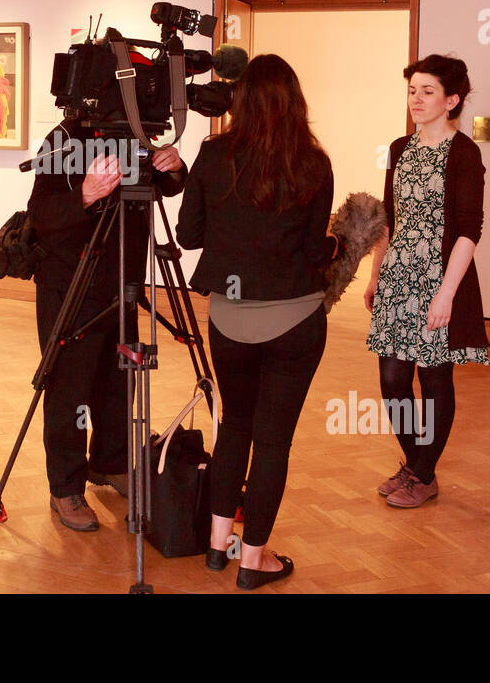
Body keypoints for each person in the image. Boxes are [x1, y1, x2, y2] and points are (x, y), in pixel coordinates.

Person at [176, 54, 336, 590]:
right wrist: (336, 242)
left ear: (240, 100)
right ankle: (255, 562)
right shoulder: (314, 163)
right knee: (272, 444)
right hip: (295, 321)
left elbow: (190, 235)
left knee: (235, 430)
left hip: (229, 320)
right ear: (296, 103)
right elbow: (316, 251)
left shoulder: (213, 153)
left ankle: (219, 548)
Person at [27, 119, 186, 532]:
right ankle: (65, 487)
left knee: (121, 381)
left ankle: (112, 463)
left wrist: (173, 168)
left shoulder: (135, 131)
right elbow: (40, 213)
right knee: (69, 387)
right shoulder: (62, 139)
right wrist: (85, 194)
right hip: (71, 284)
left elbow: (162, 184)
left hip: (122, 282)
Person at [364, 53, 490, 508]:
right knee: (393, 380)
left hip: (440, 280)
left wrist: (446, 295)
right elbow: (388, 219)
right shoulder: (400, 149)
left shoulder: (465, 153)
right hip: (398, 278)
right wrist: (377, 275)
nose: (416, 99)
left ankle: (424, 473)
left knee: (435, 382)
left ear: (452, 99)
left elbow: (468, 231)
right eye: (412, 90)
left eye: (427, 91)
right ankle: (415, 462)